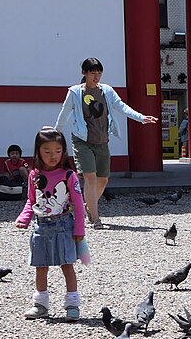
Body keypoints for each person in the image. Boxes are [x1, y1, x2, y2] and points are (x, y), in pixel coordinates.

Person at [55, 57, 158, 229]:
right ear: (84, 73)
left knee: (102, 180)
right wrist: (56, 132)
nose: (96, 77)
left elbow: (121, 106)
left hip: (102, 141)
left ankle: (89, 205)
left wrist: (141, 118)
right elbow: (65, 113)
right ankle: (95, 219)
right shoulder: (74, 92)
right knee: (90, 177)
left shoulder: (107, 91)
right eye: (92, 73)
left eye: (99, 73)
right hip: (82, 140)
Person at [14, 128, 86, 321]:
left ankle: (72, 305)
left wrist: (80, 229)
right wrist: (24, 218)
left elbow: (78, 204)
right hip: (41, 227)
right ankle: (40, 305)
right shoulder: (33, 175)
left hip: (64, 226)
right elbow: (31, 201)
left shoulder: (69, 175)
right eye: (47, 151)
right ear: (38, 152)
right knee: (41, 266)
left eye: (57, 150)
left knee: (67, 265)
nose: (53, 155)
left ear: (64, 151)